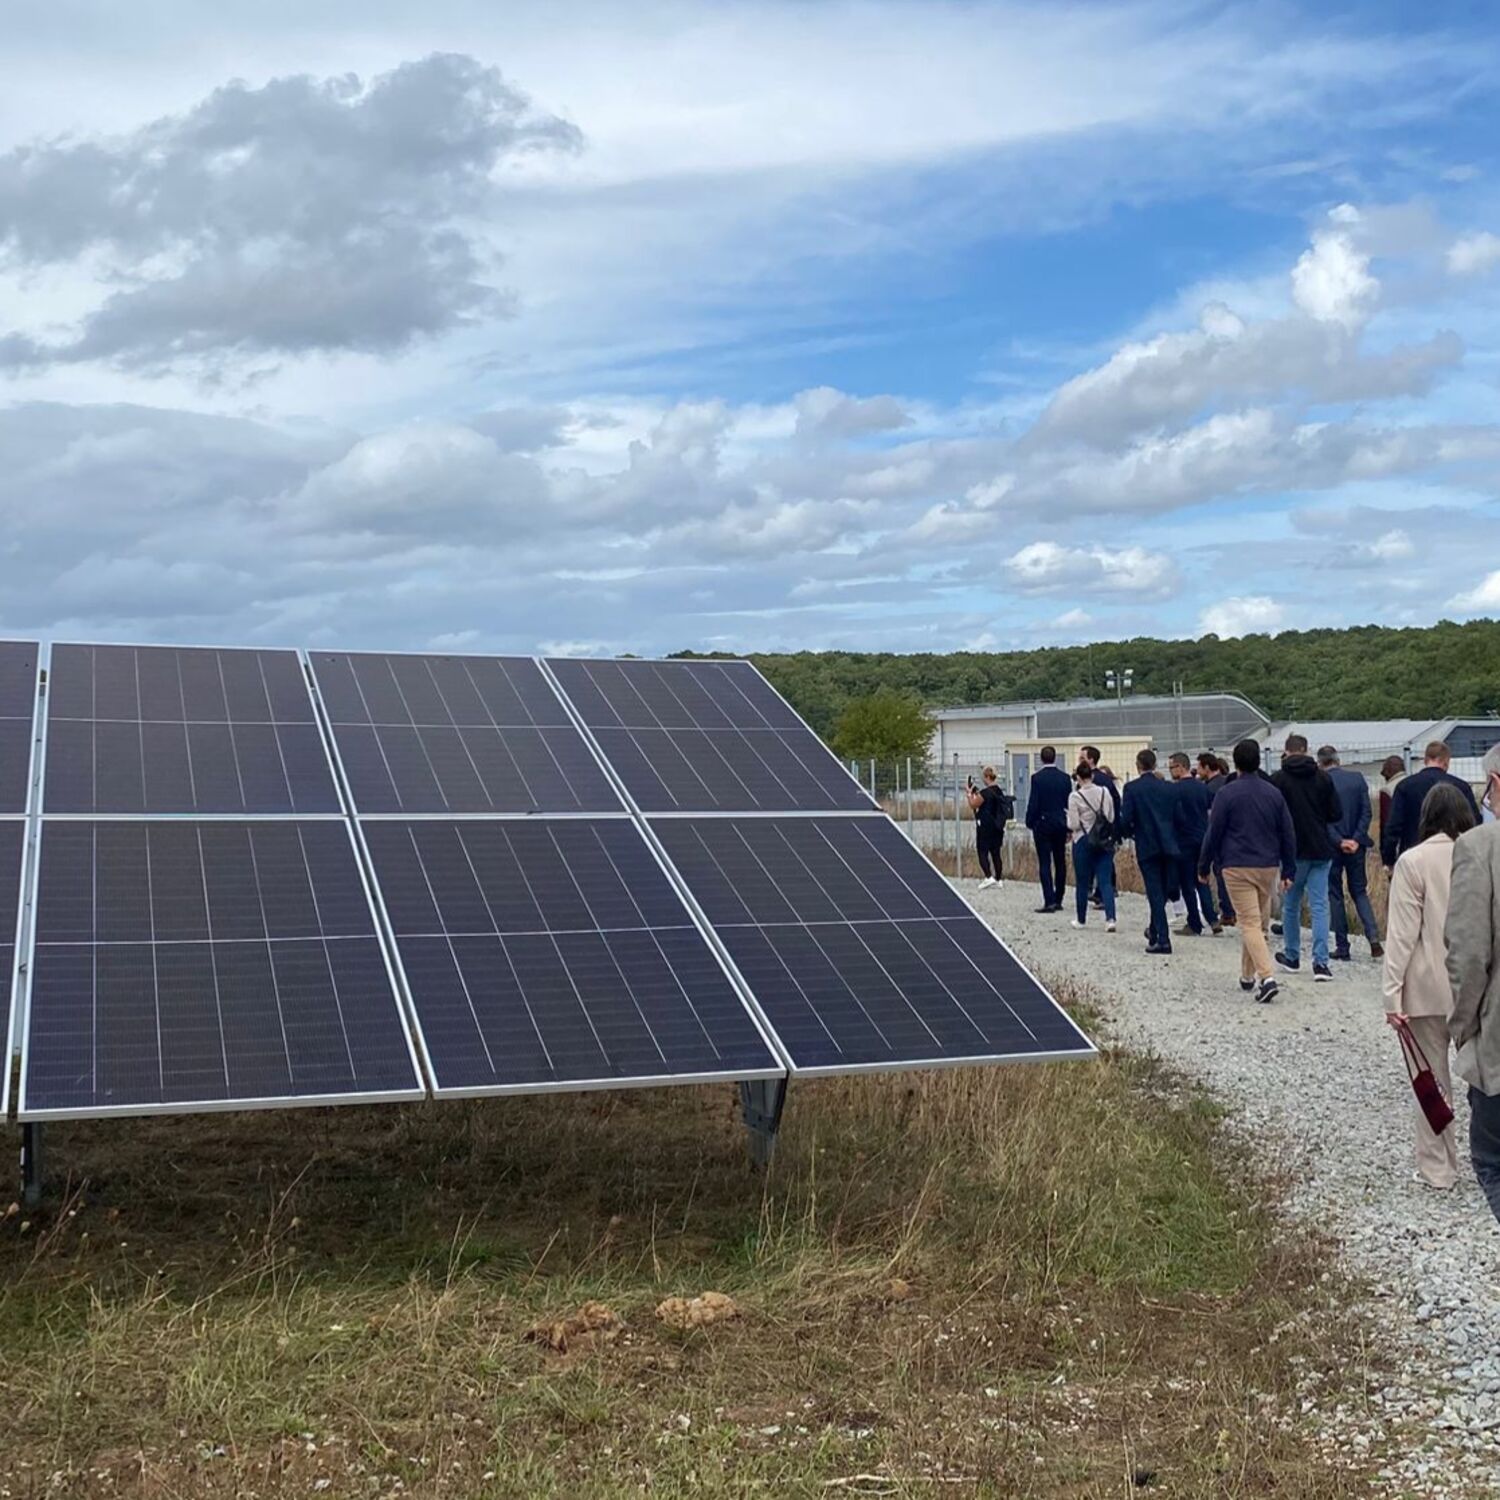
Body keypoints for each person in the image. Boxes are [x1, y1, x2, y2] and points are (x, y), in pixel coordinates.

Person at [1383, 783, 1477, 1190]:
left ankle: (1439, 1169)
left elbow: (1402, 933)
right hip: (1476, 986)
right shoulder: (1481, 855)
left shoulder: (1412, 861)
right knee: (1487, 1078)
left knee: (1432, 1080)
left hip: (1426, 989)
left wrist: (1391, 992)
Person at [1198, 738, 1296, 1004]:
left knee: (1249, 923)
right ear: (1258, 761)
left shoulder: (1227, 794)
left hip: (1237, 865)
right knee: (1256, 922)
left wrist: (1204, 865)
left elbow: (1214, 832)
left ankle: (1267, 978)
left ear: (1235, 764)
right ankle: (1246, 975)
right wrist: (1289, 869)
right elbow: (1287, 832)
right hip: (1267, 865)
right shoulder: (1273, 793)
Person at [1447, 744, 1500, 1223]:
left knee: (1492, 1162)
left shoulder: (1480, 847)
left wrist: (1462, 1027)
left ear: (1495, 784)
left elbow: (1469, 954)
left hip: (1499, 1041)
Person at [1271, 733, 1342, 982]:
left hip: (1292, 850)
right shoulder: (1322, 777)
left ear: (1287, 751)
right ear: (1306, 749)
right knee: (1320, 905)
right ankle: (1321, 963)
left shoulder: (1278, 779)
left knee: (1291, 904)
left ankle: (1292, 955)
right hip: (1321, 849)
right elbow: (1336, 813)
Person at [1316, 745, 1383, 963]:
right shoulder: (1357, 779)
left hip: (1332, 845)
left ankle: (1342, 946)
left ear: (1320, 763)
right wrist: (1356, 837)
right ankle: (1373, 938)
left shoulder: (1322, 782)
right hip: (1357, 845)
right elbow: (1366, 811)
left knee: (1334, 894)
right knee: (1359, 891)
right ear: (1338, 760)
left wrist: (1339, 840)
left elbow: (1323, 818)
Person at [1119, 747, 1180, 954]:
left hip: (1147, 844)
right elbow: (1177, 816)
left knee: (1155, 892)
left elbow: (1126, 819)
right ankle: (1155, 930)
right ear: (1155, 765)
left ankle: (1163, 939)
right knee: (1162, 892)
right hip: (1169, 844)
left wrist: (1129, 832)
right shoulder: (1169, 788)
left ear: (1138, 766)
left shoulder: (1132, 789)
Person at [1382, 741, 1479, 870]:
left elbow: (1393, 826)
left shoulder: (1405, 786)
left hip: (1414, 855)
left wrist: (1389, 859)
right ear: (1446, 761)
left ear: (1425, 760)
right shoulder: (1461, 787)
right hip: (1453, 857)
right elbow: (1474, 824)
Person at [1167, 751, 1221, 936]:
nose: (1170, 771)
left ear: (1181, 767)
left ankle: (1194, 923)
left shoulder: (1174, 790)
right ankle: (1213, 919)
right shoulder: (1203, 788)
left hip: (1184, 841)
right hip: (1203, 838)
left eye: (1171, 767)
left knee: (1187, 884)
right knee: (1202, 880)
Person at [1067, 761, 1117, 932]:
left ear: (1078, 778)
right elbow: (1110, 816)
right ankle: (1110, 918)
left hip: (1083, 839)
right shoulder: (1105, 792)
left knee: (1082, 882)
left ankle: (1081, 920)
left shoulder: (1075, 797)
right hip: (1103, 840)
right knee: (1105, 881)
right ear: (1092, 776)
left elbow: (1073, 823)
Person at [1024, 745, 1071, 914]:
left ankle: (1049, 899)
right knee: (1060, 861)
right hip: (1060, 822)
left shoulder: (1037, 778)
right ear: (1055, 757)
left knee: (1045, 862)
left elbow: (1034, 802)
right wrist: (1069, 826)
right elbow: (1068, 803)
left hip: (1043, 823)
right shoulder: (1065, 778)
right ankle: (1059, 898)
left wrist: (1030, 821)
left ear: (1041, 759)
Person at [1198, 752, 1235, 925]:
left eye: (1199, 767)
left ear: (1206, 767)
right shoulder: (1228, 782)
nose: (1197, 771)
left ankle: (1227, 912)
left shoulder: (1209, 789)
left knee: (1221, 873)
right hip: (1234, 835)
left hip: (1218, 835)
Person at [966, 766, 1009, 890]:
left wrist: (969, 794)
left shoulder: (985, 793)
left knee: (982, 851)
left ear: (987, 777)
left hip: (985, 826)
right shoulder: (999, 791)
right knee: (996, 852)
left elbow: (973, 804)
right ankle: (999, 879)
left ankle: (988, 876)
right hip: (997, 826)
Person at [1378, 755, 1407, 846]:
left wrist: (1385, 847)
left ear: (1388, 772)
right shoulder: (1415, 784)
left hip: (1398, 842)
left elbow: (1386, 822)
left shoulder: (1387, 790)